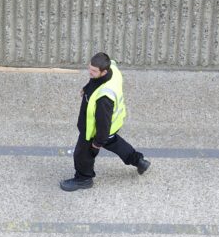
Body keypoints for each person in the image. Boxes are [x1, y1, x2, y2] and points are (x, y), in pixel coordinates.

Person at [60, 52, 151, 191]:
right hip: (111, 128)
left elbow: (103, 124)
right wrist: (86, 88)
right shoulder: (112, 71)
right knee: (115, 143)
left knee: (82, 154)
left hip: (94, 132)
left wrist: (97, 143)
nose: (90, 72)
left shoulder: (104, 99)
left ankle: (83, 179)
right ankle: (139, 161)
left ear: (103, 72)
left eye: (94, 71)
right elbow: (95, 80)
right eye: (89, 68)